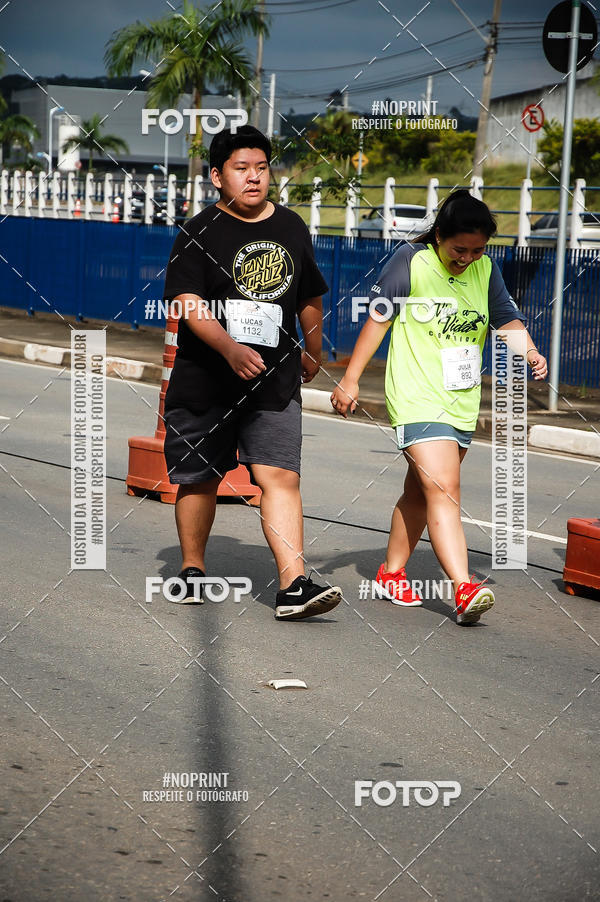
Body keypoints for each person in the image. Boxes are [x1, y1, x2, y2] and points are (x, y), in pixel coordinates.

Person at [330, 189, 547, 624]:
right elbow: (379, 318)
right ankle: (464, 588)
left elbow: (505, 318)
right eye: (459, 249)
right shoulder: (412, 260)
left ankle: (391, 573)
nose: (467, 258)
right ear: (439, 236)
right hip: (416, 395)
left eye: (477, 250)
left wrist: (530, 351)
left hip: (460, 399)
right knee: (445, 488)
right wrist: (350, 379)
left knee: (421, 491)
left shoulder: (486, 269)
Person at [162, 125, 341, 620]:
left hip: (274, 380)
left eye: (261, 167)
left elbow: (308, 293)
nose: (254, 177)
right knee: (200, 477)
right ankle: (192, 569)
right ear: (218, 176)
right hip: (206, 380)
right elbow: (187, 302)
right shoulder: (198, 231)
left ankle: (293, 585)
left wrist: (314, 349)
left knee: (280, 476)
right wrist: (229, 348)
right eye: (241, 168)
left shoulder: (291, 226)